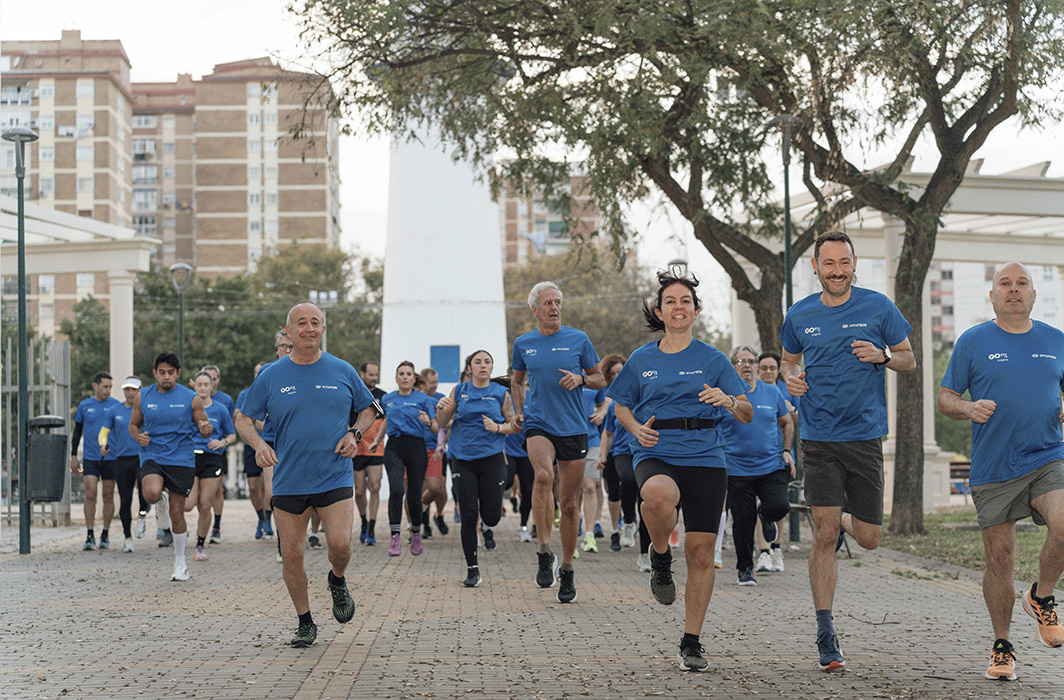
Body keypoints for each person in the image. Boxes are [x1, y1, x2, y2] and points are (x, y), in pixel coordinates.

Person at [780, 230, 916, 672]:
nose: (837, 271)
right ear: (815, 267)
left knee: (871, 539)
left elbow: (909, 358)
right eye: (828, 263)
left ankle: (838, 516)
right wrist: (791, 378)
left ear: (854, 264)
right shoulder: (800, 314)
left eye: (844, 263)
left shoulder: (878, 307)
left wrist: (881, 356)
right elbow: (787, 360)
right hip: (818, 437)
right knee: (823, 536)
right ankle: (826, 631)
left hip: (864, 437)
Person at [608, 269, 752, 671]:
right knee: (656, 495)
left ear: (696, 310)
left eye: (685, 301)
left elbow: (746, 411)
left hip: (706, 456)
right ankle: (658, 554)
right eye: (670, 301)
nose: (678, 307)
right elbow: (621, 404)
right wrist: (636, 428)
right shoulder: (642, 358)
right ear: (659, 310)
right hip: (657, 449)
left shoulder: (714, 359)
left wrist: (726, 398)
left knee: (701, 552)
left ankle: (692, 641)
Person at [938, 262, 1064, 681]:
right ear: (991, 296)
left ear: (1033, 295)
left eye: (1022, 283)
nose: (1014, 290)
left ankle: (1042, 596)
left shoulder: (1056, 340)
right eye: (1004, 284)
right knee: (1000, 558)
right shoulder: (973, 341)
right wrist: (968, 408)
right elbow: (945, 397)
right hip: (995, 467)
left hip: (1048, 456)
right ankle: (1003, 645)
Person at [236, 301, 377, 648]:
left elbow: (370, 410)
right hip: (289, 479)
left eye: (316, 322)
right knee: (293, 554)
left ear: (323, 329)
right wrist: (257, 444)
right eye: (301, 323)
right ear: (289, 331)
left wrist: (353, 435)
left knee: (340, 545)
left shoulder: (342, 370)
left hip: (334, 475)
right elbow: (243, 419)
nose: (309, 328)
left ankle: (337, 580)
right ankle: (305, 621)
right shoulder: (271, 375)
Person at [511, 281, 604, 603]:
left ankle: (567, 569)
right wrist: (520, 412)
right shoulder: (524, 343)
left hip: (573, 427)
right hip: (538, 423)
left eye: (558, 302)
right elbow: (516, 381)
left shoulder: (579, 339)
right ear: (535, 309)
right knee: (542, 476)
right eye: (548, 303)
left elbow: (599, 378)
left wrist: (581, 378)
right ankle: (543, 551)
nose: (554, 308)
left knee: (569, 501)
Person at [436, 350, 517, 586]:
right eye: (478, 362)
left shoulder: (501, 393)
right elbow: (442, 422)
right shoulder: (459, 391)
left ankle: (487, 524)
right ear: (469, 368)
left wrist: (498, 428)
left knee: (492, 516)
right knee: (468, 514)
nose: (483, 365)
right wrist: (442, 408)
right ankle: (473, 570)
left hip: (491, 458)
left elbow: (513, 424)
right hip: (462, 458)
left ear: (492, 367)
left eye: (487, 362)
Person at [129, 352, 213, 581]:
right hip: (152, 455)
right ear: (155, 373)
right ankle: (159, 502)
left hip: (181, 459)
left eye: (171, 373)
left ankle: (180, 563)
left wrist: (206, 429)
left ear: (178, 373)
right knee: (151, 493)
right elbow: (133, 425)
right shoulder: (142, 396)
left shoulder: (190, 398)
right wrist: (139, 437)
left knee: (178, 511)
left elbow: (205, 426)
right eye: (162, 372)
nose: (166, 377)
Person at [718, 346, 794, 586]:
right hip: (736, 469)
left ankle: (767, 515)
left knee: (779, 506)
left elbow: (787, 422)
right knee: (742, 522)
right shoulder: (724, 397)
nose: (747, 365)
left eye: (751, 361)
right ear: (733, 366)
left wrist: (786, 450)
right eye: (741, 361)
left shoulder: (772, 393)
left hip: (771, 465)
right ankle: (745, 570)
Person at [381, 361, 440, 556]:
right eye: (401, 374)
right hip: (394, 448)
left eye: (408, 374)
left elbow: (435, 427)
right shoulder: (388, 399)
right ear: (396, 378)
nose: (405, 377)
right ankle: (395, 537)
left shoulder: (423, 399)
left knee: (414, 495)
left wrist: (428, 422)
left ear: (414, 379)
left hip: (416, 447)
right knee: (397, 490)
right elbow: (386, 420)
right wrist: (377, 440)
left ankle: (416, 533)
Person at [185, 371, 237, 562]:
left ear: (212, 386)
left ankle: (200, 545)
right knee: (189, 504)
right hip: (190, 458)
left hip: (212, 459)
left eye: (206, 384)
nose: (203, 388)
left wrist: (222, 443)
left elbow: (232, 435)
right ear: (195, 386)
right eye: (199, 384)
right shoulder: (188, 407)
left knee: (205, 504)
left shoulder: (221, 409)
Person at [755, 350, 798, 572]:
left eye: (772, 368)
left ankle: (777, 548)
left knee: (778, 504)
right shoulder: (753, 390)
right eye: (764, 368)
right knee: (759, 503)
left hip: (783, 453)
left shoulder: (786, 390)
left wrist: (791, 411)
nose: (768, 372)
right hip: (757, 456)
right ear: (758, 369)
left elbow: (797, 419)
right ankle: (763, 552)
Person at [71, 371, 121, 550]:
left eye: (110, 387)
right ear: (95, 386)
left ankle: (105, 534)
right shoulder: (85, 406)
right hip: (91, 457)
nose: (107, 390)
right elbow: (77, 432)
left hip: (111, 457)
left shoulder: (116, 406)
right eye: (105, 386)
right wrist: (73, 455)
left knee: (108, 495)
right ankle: (89, 534)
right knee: (90, 492)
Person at [98, 376, 146, 552]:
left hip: (142, 457)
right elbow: (103, 432)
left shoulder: (146, 410)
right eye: (127, 389)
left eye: (134, 389)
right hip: (122, 459)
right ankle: (127, 538)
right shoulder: (114, 410)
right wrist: (103, 444)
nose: (131, 393)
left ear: (140, 390)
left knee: (145, 491)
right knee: (125, 500)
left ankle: (142, 515)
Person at [596, 354, 635, 552]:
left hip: (639, 451)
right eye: (613, 373)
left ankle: (632, 524)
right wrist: (602, 455)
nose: (617, 376)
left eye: (620, 372)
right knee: (616, 488)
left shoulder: (640, 397)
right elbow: (607, 432)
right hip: (616, 450)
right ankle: (615, 530)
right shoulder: (609, 399)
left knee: (634, 486)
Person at [199, 364, 235, 544]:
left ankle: (216, 527)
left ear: (216, 381)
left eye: (211, 380)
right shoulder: (192, 403)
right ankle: (203, 526)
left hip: (217, 454)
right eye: (203, 382)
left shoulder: (224, 402)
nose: (207, 385)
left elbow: (229, 427)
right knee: (199, 498)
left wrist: (223, 442)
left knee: (216, 492)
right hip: (195, 455)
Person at [354, 361, 387, 546]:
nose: (374, 378)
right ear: (362, 374)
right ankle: (363, 520)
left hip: (376, 449)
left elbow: (387, 419)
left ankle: (372, 528)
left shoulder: (383, 396)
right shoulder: (354, 394)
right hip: (357, 450)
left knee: (374, 487)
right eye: (371, 375)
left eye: (376, 375)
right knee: (359, 491)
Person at [504, 367, 534, 542]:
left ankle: (523, 526)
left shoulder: (533, 395)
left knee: (528, 489)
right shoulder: (504, 396)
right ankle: (506, 494)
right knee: (507, 481)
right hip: (507, 449)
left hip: (527, 450)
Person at [419, 367, 449, 538]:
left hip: (436, 451)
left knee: (439, 488)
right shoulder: (418, 399)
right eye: (432, 383)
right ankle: (425, 524)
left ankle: (439, 515)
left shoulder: (441, 400)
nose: (435, 386)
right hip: (420, 449)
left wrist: (443, 443)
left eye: (437, 382)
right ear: (424, 383)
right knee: (424, 488)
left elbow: (448, 424)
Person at [579, 384, 608, 553]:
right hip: (568, 439)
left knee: (590, 486)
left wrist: (601, 413)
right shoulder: (562, 374)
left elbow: (603, 402)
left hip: (592, 440)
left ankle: (589, 534)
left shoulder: (595, 379)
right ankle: (573, 530)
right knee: (572, 491)